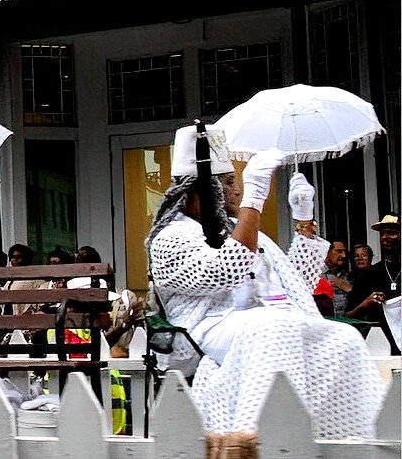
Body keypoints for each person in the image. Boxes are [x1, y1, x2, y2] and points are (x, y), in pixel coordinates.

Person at [145, 125, 381, 440]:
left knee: (343, 338)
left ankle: (345, 439)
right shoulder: (170, 235)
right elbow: (224, 271)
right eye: (229, 183)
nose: (237, 190)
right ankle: (256, 437)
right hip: (202, 329)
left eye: (238, 183)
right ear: (200, 191)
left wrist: (303, 219)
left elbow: (298, 281)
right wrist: (254, 200)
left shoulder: (235, 227)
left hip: (263, 320)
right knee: (274, 327)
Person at [345, 214, 399, 324]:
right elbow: (347, 316)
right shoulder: (368, 275)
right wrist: (366, 304)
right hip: (379, 337)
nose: (385, 237)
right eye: (382, 233)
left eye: (391, 233)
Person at [323, 241, 352, 315]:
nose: (344, 256)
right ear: (327, 252)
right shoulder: (316, 274)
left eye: (344, 252)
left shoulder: (348, 275)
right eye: (339, 251)